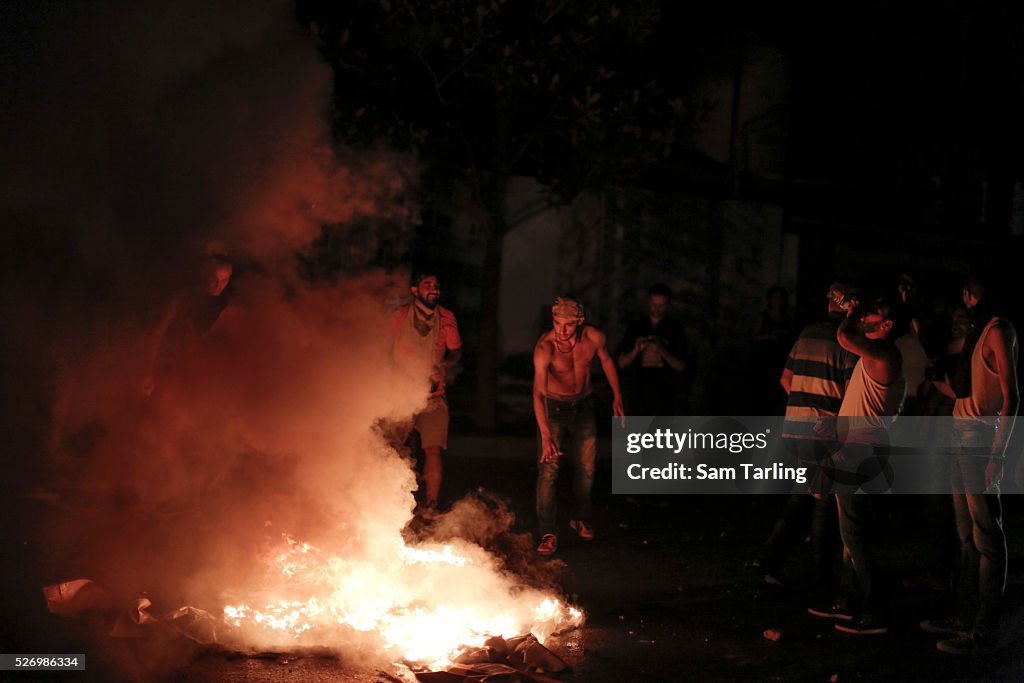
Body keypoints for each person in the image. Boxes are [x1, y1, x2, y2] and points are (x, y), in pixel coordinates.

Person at [921, 274, 1018, 656]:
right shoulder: (977, 333)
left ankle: (983, 631)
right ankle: (964, 618)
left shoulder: (998, 329)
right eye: (965, 291)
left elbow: (1012, 396)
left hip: (979, 439)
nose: (967, 297)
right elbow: (967, 388)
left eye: (974, 290)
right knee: (966, 536)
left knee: (986, 536)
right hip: (961, 434)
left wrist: (998, 453)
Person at [754, 282, 859, 602]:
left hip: (797, 426)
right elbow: (852, 392)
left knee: (802, 496)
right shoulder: (849, 343)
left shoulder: (807, 333)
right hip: (824, 429)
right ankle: (821, 577)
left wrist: (803, 402)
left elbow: (785, 379)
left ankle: (769, 561)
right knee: (824, 503)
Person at [817, 294, 907, 636]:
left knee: (854, 536)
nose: (867, 315)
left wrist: (852, 310)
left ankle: (874, 609)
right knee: (851, 534)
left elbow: (843, 337)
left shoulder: (883, 354)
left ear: (886, 326)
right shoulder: (881, 354)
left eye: (875, 311)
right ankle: (850, 600)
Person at [534, 297, 624, 555]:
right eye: (556, 323)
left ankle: (581, 517)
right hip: (553, 409)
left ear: (579, 322)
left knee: (586, 466)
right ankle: (547, 532)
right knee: (548, 470)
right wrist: (545, 435)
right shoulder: (545, 347)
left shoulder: (593, 337)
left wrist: (617, 396)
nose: (561, 331)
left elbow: (606, 361)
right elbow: (538, 394)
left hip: (583, 407)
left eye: (568, 325)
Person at [389, 270, 462, 512]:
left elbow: (456, 352)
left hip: (433, 396)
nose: (434, 288)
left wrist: (446, 367)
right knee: (393, 449)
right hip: (401, 397)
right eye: (427, 284)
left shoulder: (447, 318)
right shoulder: (399, 316)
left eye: (436, 285)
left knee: (433, 450)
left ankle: (431, 506)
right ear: (415, 290)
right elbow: (382, 349)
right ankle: (387, 502)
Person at [142, 252, 234, 397]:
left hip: (190, 365)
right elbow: (156, 334)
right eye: (214, 279)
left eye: (225, 280)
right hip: (168, 362)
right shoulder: (181, 298)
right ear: (204, 277)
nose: (219, 286)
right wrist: (147, 373)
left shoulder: (221, 302)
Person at [616, 283, 687, 415]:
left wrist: (661, 350)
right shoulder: (636, 327)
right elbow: (621, 362)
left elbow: (682, 366)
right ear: (648, 302)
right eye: (654, 304)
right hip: (638, 391)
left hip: (665, 393)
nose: (657, 308)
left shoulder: (675, 329)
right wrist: (636, 350)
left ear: (668, 305)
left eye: (662, 305)